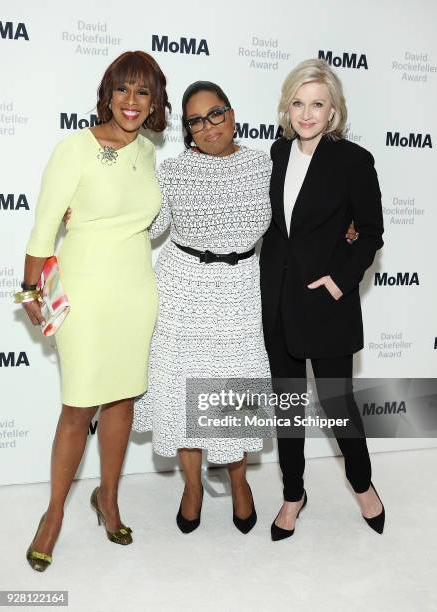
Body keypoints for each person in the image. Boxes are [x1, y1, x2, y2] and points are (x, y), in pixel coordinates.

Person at [17, 50, 170, 571]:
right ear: (107, 92)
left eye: (143, 92)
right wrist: (30, 292)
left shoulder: (148, 152)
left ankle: (108, 498)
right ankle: (54, 514)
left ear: (154, 102)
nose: (132, 101)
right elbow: (42, 229)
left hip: (135, 292)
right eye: (123, 89)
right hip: (82, 294)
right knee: (79, 406)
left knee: (123, 399)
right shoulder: (74, 148)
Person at [133, 81, 272, 534]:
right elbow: (149, 227)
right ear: (187, 130)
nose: (207, 126)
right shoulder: (172, 171)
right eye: (195, 120)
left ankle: (240, 483)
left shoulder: (264, 165)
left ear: (232, 115)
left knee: (232, 395)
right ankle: (192, 488)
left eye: (215, 114)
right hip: (184, 288)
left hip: (239, 291)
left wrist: (346, 231)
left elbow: (299, 212)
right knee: (185, 391)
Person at [259, 59, 385, 541]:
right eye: (298, 102)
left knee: (338, 404)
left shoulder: (355, 161)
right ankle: (293, 495)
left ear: (333, 112)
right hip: (277, 301)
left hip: (327, 303)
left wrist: (338, 280)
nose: (306, 113)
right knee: (287, 405)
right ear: (286, 107)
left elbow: (370, 233)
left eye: (317, 104)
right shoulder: (274, 154)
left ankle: (362, 486)